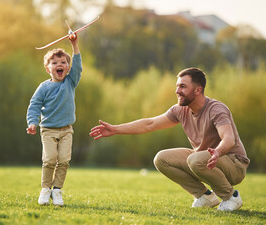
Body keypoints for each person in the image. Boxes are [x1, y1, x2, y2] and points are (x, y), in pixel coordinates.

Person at [89, 67, 250, 212]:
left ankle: (231, 197)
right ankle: (204, 196)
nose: (177, 91)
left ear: (198, 90)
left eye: (182, 86)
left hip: (233, 163)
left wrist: (217, 152)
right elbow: (150, 124)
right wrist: (115, 129)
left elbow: (228, 139)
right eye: (177, 86)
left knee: (195, 159)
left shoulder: (216, 109)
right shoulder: (180, 110)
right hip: (202, 160)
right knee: (162, 159)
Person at [26, 34, 81, 206]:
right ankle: (45, 189)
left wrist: (75, 45)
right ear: (48, 69)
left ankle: (57, 190)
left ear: (68, 67)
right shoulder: (44, 87)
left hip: (66, 130)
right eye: (55, 63)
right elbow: (34, 106)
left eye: (63, 63)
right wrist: (32, 122)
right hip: (48, 130)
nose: (59, 65)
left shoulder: (70, 82)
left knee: (64, 160)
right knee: (49, 159)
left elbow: (78, 67)